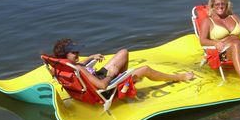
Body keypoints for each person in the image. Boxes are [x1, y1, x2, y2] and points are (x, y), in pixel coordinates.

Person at [52, 38, 194, 89]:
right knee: (145, 69)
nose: (77, 54)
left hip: (97, 77)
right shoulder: (78, 69)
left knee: (123, 52)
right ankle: (179, 77)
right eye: (74, 53)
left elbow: (80, 65)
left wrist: (90, 57)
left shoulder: (66, 66)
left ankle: (127, 81)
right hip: (105, 86)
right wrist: (112, 74)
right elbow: (102, 85)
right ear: (65, 55)